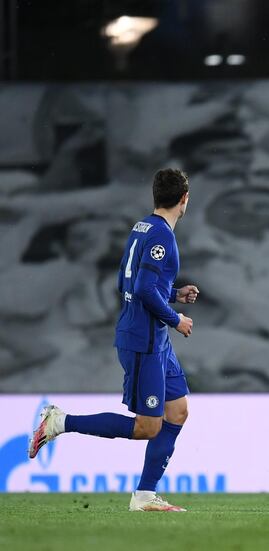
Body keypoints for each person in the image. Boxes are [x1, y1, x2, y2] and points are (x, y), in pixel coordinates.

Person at [27, 168, 200, 512]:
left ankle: (145, 495)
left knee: (177, 411)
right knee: (147, 427)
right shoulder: (163, 237)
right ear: (185, 199)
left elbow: (126, 282)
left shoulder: (142, 228)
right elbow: (141, 288)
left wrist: (175, 293)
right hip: (144, 340)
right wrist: (175, 318)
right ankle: (60, 422)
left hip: (154, 338)